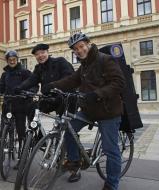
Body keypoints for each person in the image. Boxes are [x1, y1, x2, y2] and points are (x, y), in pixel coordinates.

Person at [44, 32, 125, 190]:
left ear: (88, 44)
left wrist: (97, 94)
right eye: (75, 49)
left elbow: (119, 83)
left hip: (108, 111)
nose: (79, 51)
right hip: (90, 110)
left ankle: (112, 183)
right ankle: (74, 161)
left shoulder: (105, 59)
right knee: (69, 128)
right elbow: (71, 80)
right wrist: (52, 85)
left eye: (81, 46)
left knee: (110, 150)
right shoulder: (84, 66)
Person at [0, 50, 37, 170]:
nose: (12, 61)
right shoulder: (4, 74)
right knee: (2, 134)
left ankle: (22, 159)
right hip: (7, 106)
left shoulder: (25, 72)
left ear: (17, 59)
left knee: (21, 134)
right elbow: (0, 87)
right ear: (7, 60)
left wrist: (30, 92)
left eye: (14, 59)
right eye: (10, 59)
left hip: (21, 106)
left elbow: (34, 84)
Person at [14, 43, 74, 114]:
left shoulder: (60, 61)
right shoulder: (38, 68)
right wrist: (19, 87)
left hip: (67, 98)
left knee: (63, 121)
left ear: (48, 52)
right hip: (50, 98)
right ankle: (33, 124)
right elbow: (31, 80)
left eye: (42, 52)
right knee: (32, 108)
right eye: (37, 54)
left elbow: (69, 78)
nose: (40, 56)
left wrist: (52, 85)